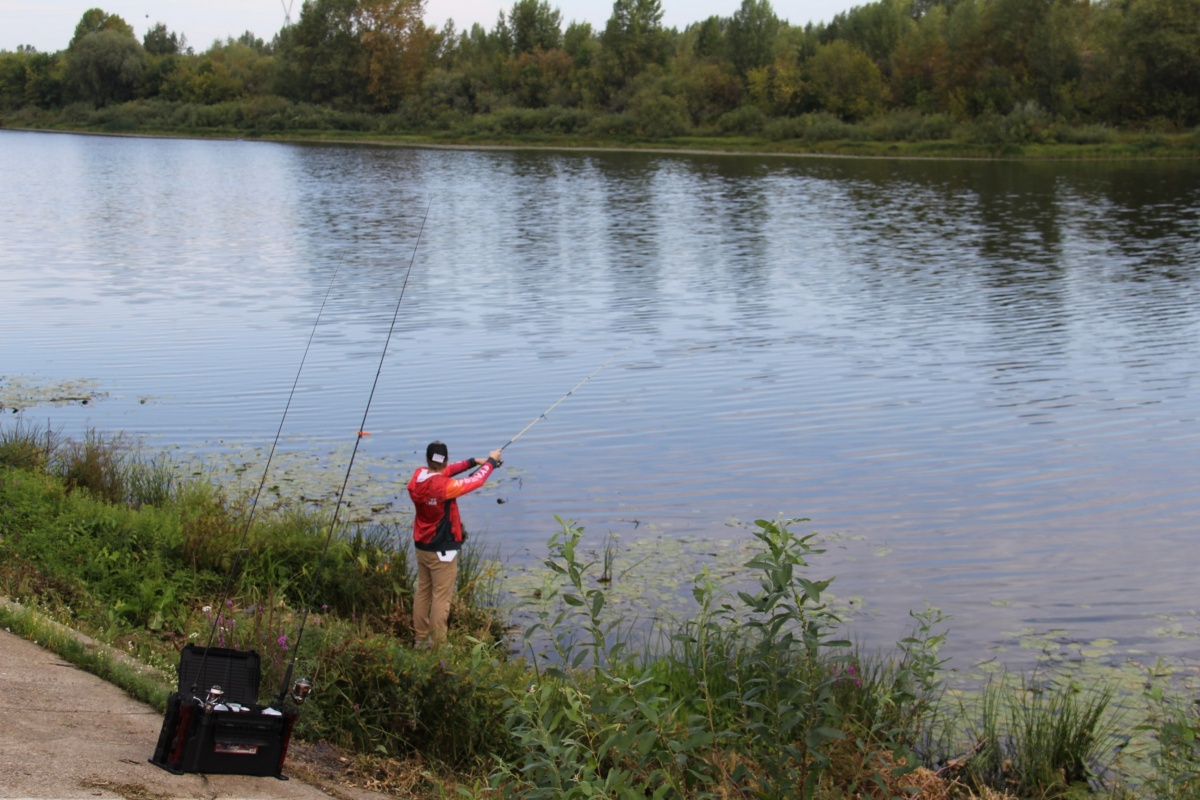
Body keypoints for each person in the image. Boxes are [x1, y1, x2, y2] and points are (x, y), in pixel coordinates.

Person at [407, 440, 502, 645]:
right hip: (442, 551)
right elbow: (476, 481)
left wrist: (473, 461)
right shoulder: (444, 487)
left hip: (422, 547)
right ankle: (440, 645)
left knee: (423, 592)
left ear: (426, 459)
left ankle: (420, 640)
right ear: (446, 458)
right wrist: (491, 462)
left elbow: (444, 471)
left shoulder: (418, 477)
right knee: (441, 598)